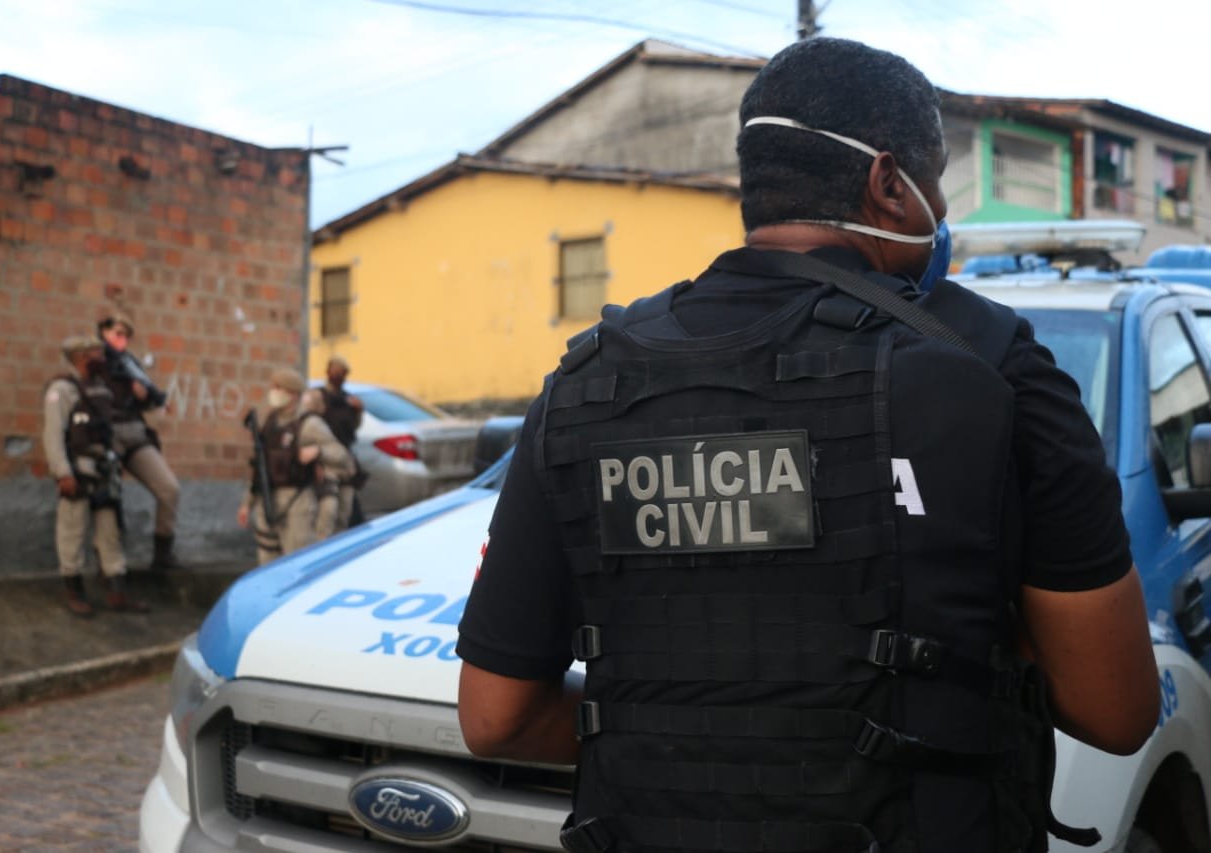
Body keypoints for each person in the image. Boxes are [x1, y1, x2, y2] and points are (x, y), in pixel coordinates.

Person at [456, 37, 1159, 853]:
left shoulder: (586, 382)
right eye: (935, 183)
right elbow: (1117, 711)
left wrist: (689, 735)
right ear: (888, 185)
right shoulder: (996, 364)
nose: (942, 211)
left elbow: (494, 715)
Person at [42, 336, 150, 615]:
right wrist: (62, 472)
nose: (101, 357)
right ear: (80, 356)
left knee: (110, 533)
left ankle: (117, 592)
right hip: (78, 470)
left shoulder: (102, 388)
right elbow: (53, 435)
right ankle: (74, 591)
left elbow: (109, 432)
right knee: (72, 531)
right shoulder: (61, 390)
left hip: (104, 470)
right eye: (95, 352)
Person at [236, 368, 350, 565]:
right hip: (268, 497)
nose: (273, 392)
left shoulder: (310, 424)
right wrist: (247, 503)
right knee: (267, 564)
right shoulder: (270, 421)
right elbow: (261, 466)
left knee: (297, 562)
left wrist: (318, 451)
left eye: (278, 388)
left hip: (298, 501)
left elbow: (342, 456)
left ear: (293, 393)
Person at [97, 312, 183, 570]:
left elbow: (148, 397)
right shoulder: (96, 360)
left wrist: (144, 396)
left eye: (126, 335)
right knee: (107, 498)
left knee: (169, 489)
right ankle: (108, 565)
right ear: (104, 331)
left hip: (134, 432)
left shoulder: (128, 363)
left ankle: (162, 553)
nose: (122, 340)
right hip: (107, 434)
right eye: (117, 333)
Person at [317, 356, 367, 528]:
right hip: (325, 459)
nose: (338, 375)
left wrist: (359, 411)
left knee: (345, 512)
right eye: (335, 370)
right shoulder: (319, 397)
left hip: (344, 459)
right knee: (327, 512)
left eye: (341, 372)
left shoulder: (349, 400)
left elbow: (354, 426)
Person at [301, 387, 357, 539]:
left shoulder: (316, 424)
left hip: (335, 481)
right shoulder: (310, 423)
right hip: (324, 483)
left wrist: (319, 453)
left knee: (332, 528)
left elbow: (341, 455)